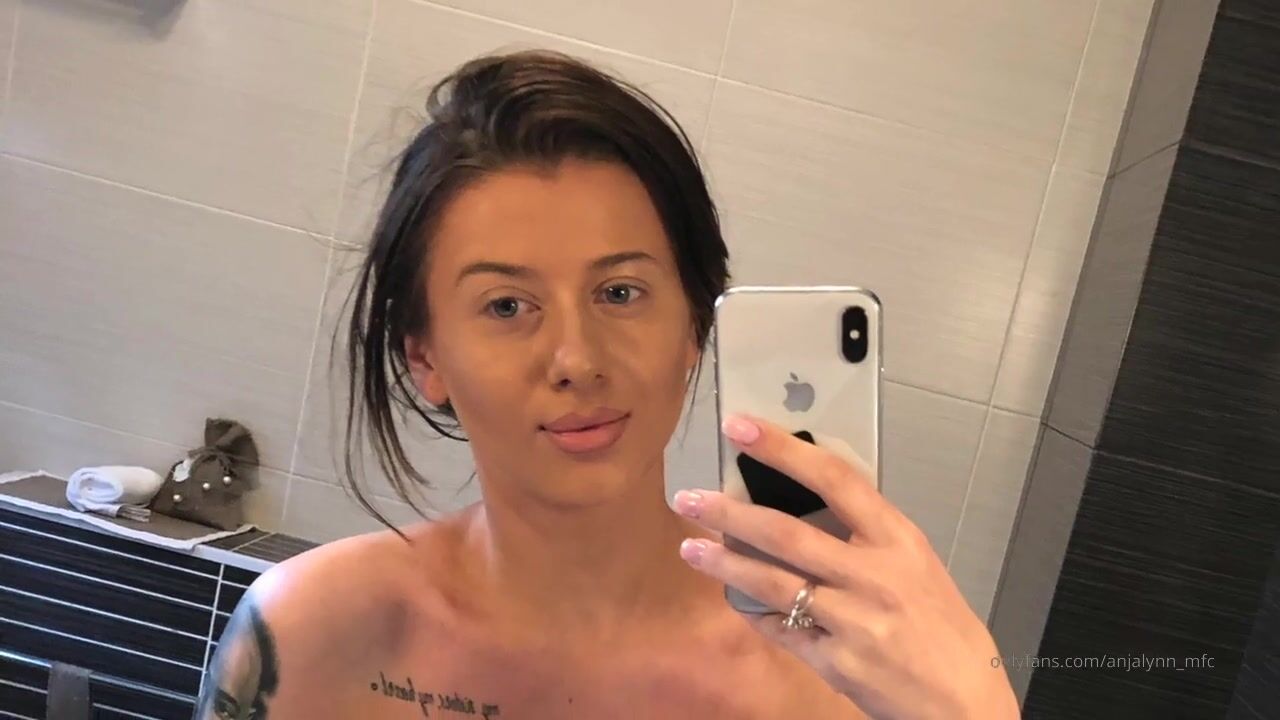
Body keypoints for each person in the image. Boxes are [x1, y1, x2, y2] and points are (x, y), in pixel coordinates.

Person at [195, 49, 1019, 719]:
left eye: (620, 293)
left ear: (694, 325)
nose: (577, 358)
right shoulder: (309, 630)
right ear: (426, 358)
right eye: (507, 305)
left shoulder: (833, 680)